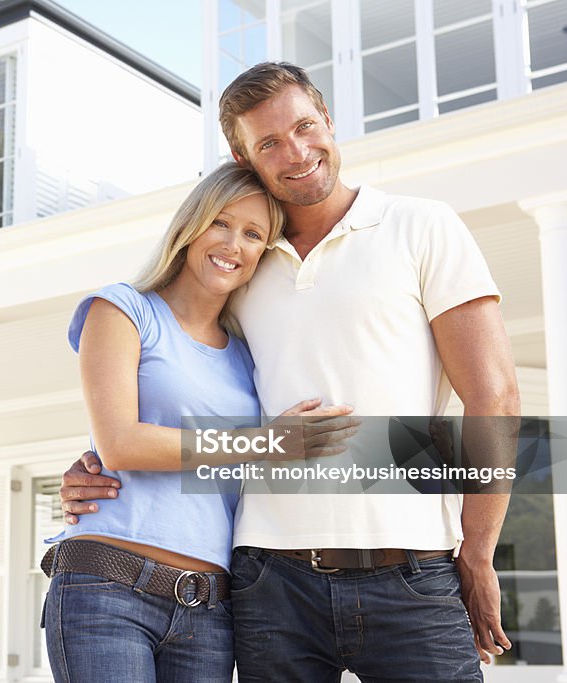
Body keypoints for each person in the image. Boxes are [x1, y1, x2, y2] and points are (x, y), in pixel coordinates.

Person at [60, 62, 521, 682]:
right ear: (241, 154)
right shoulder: (243, 263)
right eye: (270, 142)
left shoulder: (421, 225)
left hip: (411, 571)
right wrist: (101, 458)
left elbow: (494, 394)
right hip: (267, 582)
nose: (297, 152)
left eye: (305, 127)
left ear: (328, 121)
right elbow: (181, 372)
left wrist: (479, 551)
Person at [43, 162, 355, 683]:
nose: (233, 244)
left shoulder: (250, 359)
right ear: (190, 226)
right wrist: (268, 442)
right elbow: (121, 443)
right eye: (221, 223)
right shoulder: (123, 309)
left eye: (253, 234)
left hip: (208, 608)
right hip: (106, 587)